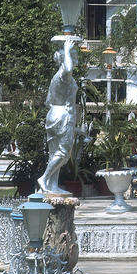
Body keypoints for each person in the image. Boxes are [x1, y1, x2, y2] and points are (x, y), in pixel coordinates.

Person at [37, 39, 79, 195]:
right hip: (62, 116)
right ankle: (44, 178)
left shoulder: (56, 77)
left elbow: (48, 101)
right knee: (64, 153)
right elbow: (68, 68)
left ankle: (52, 185)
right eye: (74, 56)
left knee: (55, 153)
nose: (76, 59)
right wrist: (67, 50)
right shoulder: (63, 74)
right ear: (65, 58)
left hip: (54, 114)